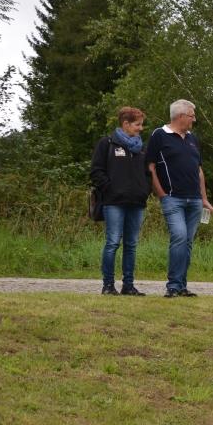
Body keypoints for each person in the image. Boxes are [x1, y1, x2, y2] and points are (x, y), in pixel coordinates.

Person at [146, 99, 213, 298]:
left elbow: (199, 171)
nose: (194, 119)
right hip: (172, 199)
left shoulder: (193, 139)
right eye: (192, 116)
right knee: (179, 237)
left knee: (187, 242)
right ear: (181, 116)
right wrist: (161, 194)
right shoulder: (159, 135)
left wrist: (204, 198)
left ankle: (182, 286)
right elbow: (150, 167)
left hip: (194, 201)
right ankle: (173, 286)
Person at [90, 107, 152, 296]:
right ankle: (108, 285)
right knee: (113, 242)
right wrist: (110, 189)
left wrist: (144, 191)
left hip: (137, 203)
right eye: (137, 124)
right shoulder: (107, 143)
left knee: (131, 245)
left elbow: (148, 173)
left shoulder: (142, 148)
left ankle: (128, 286)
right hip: (114, 202)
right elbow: (96, 171)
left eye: (141, 124)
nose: (141, 128)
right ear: (126, 124)